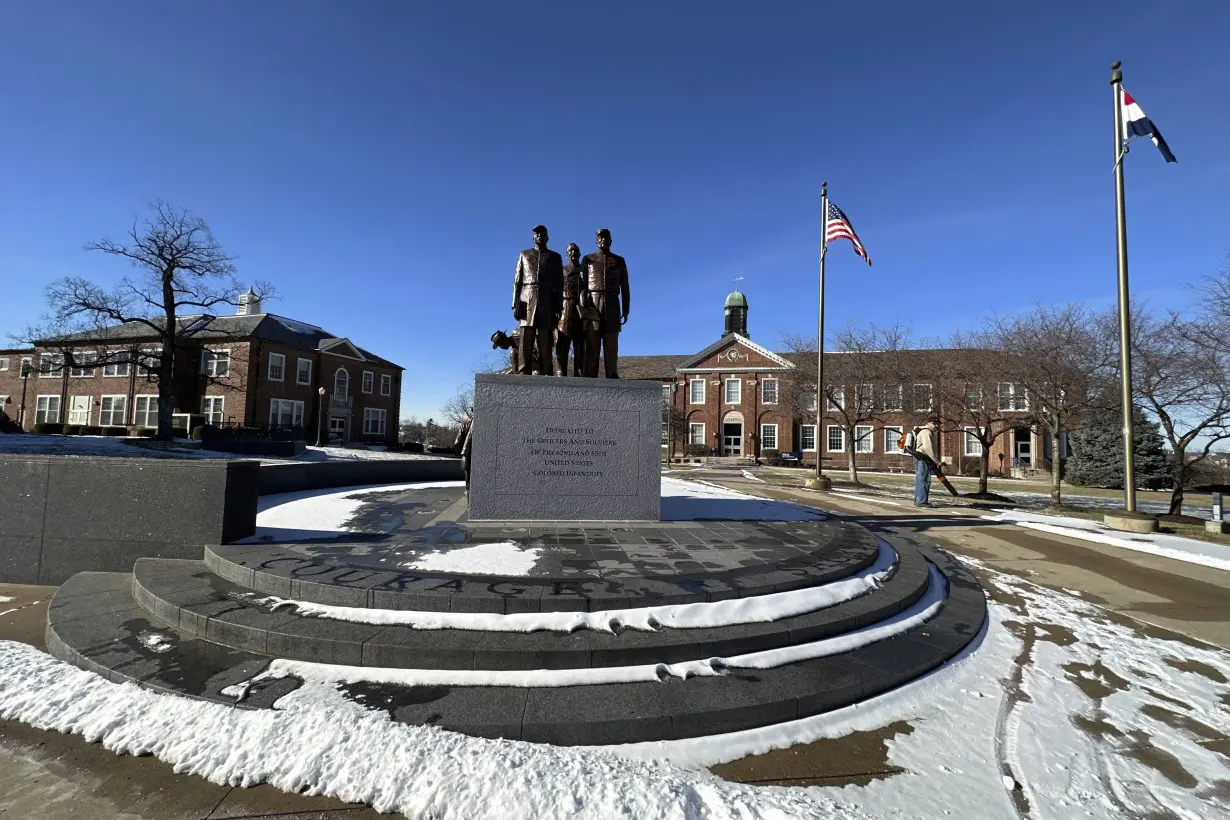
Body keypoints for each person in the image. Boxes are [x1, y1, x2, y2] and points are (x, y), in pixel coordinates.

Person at [511, 225, 563, 375]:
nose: (540, 236)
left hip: (546, 299)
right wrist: (514, 304)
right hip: (526, 298)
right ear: (533, 237)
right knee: (526, 337)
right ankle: (523, 370)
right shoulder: (524, 254)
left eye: (543, 233)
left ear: (547, 237)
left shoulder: (555, 257)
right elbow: (517, 281)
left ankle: (547, 370)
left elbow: (559, 284)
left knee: (545, 338)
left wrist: (558, 306)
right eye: (537, 234)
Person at [580, 228, 630, 378]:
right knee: (592, 345)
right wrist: (583, 307)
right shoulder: (588, 259)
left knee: (611, 345)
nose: (602, 240)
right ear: (596, 241)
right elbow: (583, 287)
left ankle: (612, 375)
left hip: (612, 303)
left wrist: (626, 308)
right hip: (593, 303)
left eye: (605, 237)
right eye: (600, 238)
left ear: (610, 241)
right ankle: (590, 376)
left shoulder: (619, 260)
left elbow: (625, 286)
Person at [555, 243, 586, 376]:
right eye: (570, 251)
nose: (573, 252)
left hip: (580, 309)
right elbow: (556, 290)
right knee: (563, 343)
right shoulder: (561, 270)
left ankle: (579, 372)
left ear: (579, 254)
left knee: (579, 344)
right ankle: (561, 371)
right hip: (565, 308)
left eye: (575, 250)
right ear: (567, 254)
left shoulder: (585, 270)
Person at [910, 418, 941, 507]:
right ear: (931, 423)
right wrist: (936, 461)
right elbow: (928, 448)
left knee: (921, 479)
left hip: (920, 458)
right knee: (924, 480)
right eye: (936, 424)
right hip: (922, 458)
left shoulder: (925, 432)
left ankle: (919, 500)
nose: (937, 426)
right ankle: (921, 501)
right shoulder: (926, 433)